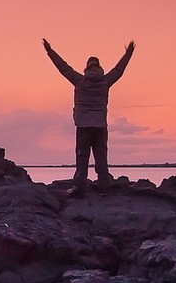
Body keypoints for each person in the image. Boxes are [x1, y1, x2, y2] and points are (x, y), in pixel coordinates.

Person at [43, 37, 134, 187]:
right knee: (101, 156)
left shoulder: (79, 81)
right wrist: (129, 53)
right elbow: (119, 70)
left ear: (87, 67)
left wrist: (49, 50)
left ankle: (80, 186)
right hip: (100, 126)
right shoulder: (105, 82)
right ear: (99, 67)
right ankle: (104, 186)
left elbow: (63, 68)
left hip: (83, 126)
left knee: (82, 157)